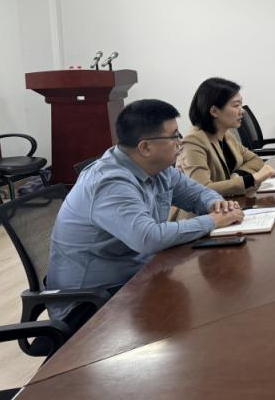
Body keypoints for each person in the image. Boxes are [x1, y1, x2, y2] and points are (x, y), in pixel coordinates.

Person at [46, 99, 244, 326]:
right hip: (92, 302)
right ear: (145, 148)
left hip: (138, 276)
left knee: (216, 304)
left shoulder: (158, 168)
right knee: (204, 316)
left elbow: (197, 194)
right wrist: (212, 221)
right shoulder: (110, 182)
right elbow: (148, 238)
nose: (180, 142)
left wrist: (216, 204)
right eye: (174, 136)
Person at [176, 78, 275, 208]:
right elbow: (202, 190)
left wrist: (237, 175)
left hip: (228, 205)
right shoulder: (193, 142)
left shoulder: (226, 134)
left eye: (241, 105)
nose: (242, 110)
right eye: (236, 105)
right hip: (199, 213)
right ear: (214, 111)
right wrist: (252, 179)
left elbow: (255, 160)